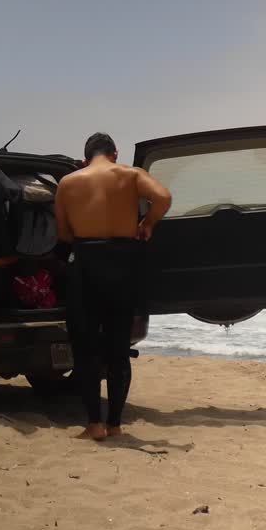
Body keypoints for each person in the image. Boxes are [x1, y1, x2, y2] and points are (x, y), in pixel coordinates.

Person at [56, 132, 172, 441]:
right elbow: (163, 197)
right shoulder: (131, 175)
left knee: (86, 349)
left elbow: (63, 232)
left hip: (86, 264)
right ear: (115, 153)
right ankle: (116, 424)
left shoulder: (68, 183)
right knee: (119, 348)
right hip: (122, 264)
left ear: (85, 159)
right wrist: (147, 224)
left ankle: (94, 424)